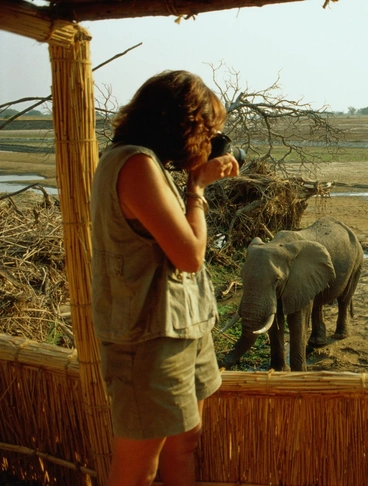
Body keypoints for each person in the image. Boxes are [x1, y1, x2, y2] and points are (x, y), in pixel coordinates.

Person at [90, 70, 239, 486]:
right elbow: (190, 255)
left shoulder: (146, 161)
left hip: (180, 326)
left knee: (185, 442)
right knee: (139, 467)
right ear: (185, 125)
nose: (211, 141)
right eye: (208, 131)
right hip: (148, 338)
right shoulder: (135, 164)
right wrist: (196, 187)